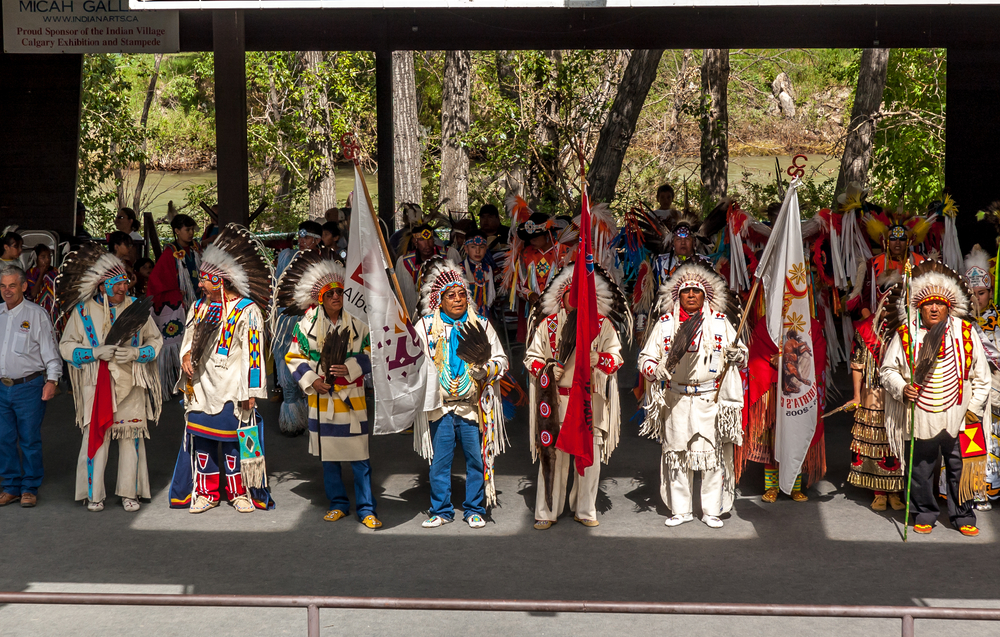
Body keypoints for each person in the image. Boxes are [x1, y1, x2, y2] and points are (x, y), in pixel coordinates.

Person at [169, 223, 274, 514]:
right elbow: (187, 341)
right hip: (201, 387)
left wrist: (251, 391)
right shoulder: (199, 308)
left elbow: (253, 355)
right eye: (201, 280)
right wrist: (186, 357)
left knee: (233, 442)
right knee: (202, 439)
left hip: (232, 388)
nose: (200, 285)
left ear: (221, 280)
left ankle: (240, 492)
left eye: (205, 280)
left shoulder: (247, 310)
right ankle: (205, 493)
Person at [881, 260, 991, 536]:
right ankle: (925, 512)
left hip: (962, 417)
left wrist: (974, 409)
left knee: (961, 468)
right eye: (928, 304)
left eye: (939, 304)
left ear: (948, 306)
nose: (933, 308)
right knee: (921, 469)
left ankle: (963, 515)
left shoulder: (966, 333)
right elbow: (887, 370)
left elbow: (982, 377)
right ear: (918, 306)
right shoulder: (907, 335)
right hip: (922, 414)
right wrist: (901, 388)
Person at [276, 251, 381, 528]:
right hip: (323, 399)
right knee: (330, 459)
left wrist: (352, 366)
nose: (336, 296)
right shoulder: (307, 324)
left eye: (340, 291)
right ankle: (338, 504)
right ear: (321, 297)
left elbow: (373, 351)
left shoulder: (358, 322)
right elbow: (293, 356)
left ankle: (367, 508)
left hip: (352, 399)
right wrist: (313, 380)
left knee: (360, 457)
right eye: (330, 292)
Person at [637, 263, 744, 528]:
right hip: (676, 399)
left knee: (711, 455)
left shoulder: (720, 323)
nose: (692, 295)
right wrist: (656, 368)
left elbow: (742, 354)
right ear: (678, 296)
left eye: (697, 290)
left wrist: (737, 354)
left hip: (710, 398)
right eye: (687, 291)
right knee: (677, 455)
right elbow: (644, 359)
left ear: (704, 295)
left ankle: (711, 510)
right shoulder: (664, 325)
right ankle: (681, 509)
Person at [57, 245, 163, 512]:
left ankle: (131, 493)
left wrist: (137, 353)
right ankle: (94, 494)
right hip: (97, 382)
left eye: (124, 282)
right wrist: (93, 352)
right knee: (97, 436)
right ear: (101, 285)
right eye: (116, 284)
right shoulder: (82, 312)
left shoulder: (137, 309)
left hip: (131, 382)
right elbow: (66, 346)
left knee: (131, 437)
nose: (122, 288)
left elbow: (156, 340)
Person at [524, 263, 628, 530]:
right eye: (573, 294)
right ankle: (547, 511)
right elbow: (530, 358)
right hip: (557, 400)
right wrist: (548, 369)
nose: (578, 300)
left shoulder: (602, 325)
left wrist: (600, 358)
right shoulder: (547, 325)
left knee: (588, 458)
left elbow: (617, 358)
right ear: (563, 296)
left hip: (588, 401)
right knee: (554, 457)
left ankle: (585, 508)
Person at [413, 258, 508, 529]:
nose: (458, 299)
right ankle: (441, 510)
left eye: (462, 294)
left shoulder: (481, 325)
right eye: (450, 295)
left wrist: (485, 371)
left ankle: (474, 508)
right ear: (438, 300)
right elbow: (411, 361)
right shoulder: (426, 327)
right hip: (440, 406)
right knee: (440, 463)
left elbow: (502, 360)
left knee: (476, 460)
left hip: (472, 406)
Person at [0, 264, 61, 508]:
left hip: (29, 386)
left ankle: (29, 487)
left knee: (29, 439)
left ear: (24, 286)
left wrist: (52, 380)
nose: (7, 291)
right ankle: (12, 486)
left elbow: (51, 352)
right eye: (3, 286)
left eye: (12, 285)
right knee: (3, 438)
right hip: (1, 388)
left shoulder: (36, 314)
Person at [844, 271, 906, 511]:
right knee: (876, 441)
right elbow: (857, 364)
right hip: (874, 394)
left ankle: (896, 491)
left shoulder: (908, 330)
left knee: (897, 442)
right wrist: (857, 395)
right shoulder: (866, 329)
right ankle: (879, 492)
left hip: (900, 395)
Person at [272, 220, 323, 436]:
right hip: (285, 321)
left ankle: (313, 417)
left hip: (312, 320)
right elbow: (276, 287)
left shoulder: (324, 260)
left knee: (311, 365)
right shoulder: (286, 256)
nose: (302, 241)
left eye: (307, 237)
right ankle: (292, 419)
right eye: (300, 236)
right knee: (286, 364)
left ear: (317, 240)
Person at [147, 213, 201, 400]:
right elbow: (157, 281)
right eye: (187, 229)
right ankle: (170, 383)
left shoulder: (196, 249)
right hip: (177, 306)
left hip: (197, 303)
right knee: (174, 344)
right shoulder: (170, 252)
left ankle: (194, 382)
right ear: (177, 231)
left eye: (192, 229)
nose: (191, 233)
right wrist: (176, 294)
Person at [963, 245, 1000, 509]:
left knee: (995, 442)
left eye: (983, 293)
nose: (978, 298)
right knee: (973, 439)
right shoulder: (959, 321)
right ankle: (974, 489)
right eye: (973, 293)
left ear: (991, 292)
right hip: (970, 393)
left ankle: (991, 487)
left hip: (997, 392)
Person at [511, 211, 568, 341]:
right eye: (530, 237)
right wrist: (529, 294)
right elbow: (518, 285)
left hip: (560, 312)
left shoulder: (565, 252)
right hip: (534, 313)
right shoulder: (526, 254)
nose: (532, 240)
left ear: (547, 234)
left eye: (536, 236)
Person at [395, 223, 444, 315]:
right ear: (415, 241)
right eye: (422, 240)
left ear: (434, 240)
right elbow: (404, 295)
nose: (427, 244)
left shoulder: (447, 255)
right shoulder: (406, 262)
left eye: (429, 239)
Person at [458, 230, 495, 317]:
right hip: (465, 315)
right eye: (473, 247)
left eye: (481, 247)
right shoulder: (460, 269)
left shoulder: (488, 269)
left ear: (486, 249)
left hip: (484, 314)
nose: (477, 251)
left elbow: (491, 295)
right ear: (466, 249)